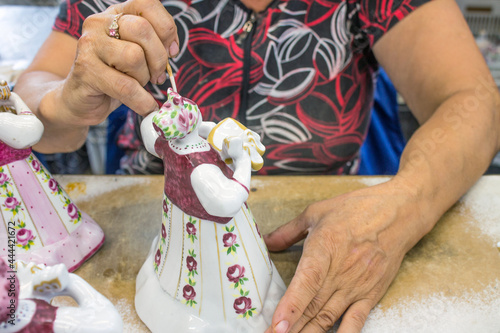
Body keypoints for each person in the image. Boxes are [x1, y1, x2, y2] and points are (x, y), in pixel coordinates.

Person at [13, 0, 500, 331]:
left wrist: (406, 203)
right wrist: (63, 102)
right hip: (156, 222)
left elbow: (474, 102)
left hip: (324, 222)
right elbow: (36, 90)